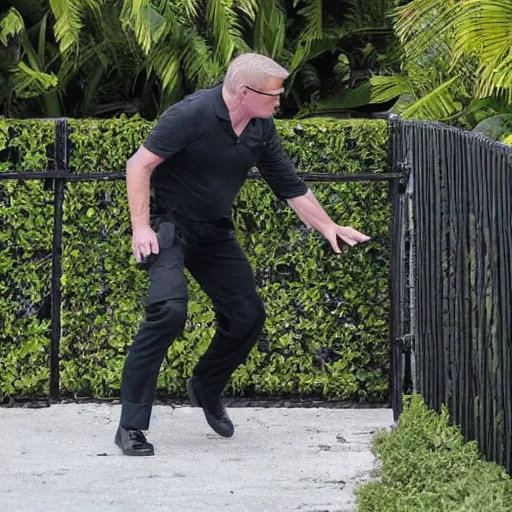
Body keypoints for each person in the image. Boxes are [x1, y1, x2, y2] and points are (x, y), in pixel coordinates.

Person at [115, 53, 370, 456]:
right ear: (246, 93)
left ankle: (206, 386)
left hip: (213, 230)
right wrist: (141, 228)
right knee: (168, 311)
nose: (280, 102)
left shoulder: (261, 128)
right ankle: (131, 426)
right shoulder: (191, 115)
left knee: (248, 315)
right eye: (275, 94)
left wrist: (329, 227)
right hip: (169, 226)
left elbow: (289, 185)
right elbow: (139, 165)